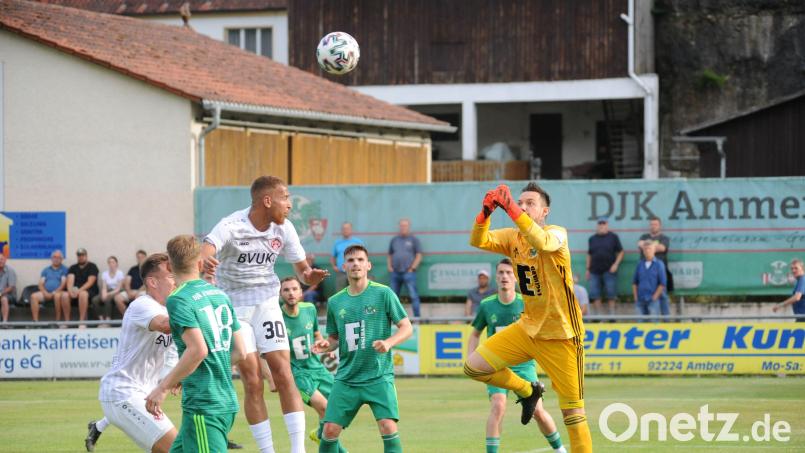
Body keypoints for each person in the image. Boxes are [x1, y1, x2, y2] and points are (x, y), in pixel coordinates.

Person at [202, 175, 328, 453]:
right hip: (234, 308)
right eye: (285, 198)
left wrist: (311, 277)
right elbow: (207, 247)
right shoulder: (232, 225)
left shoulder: (285, 229)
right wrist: (207, 259)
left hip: (267, 304)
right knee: (253, 379)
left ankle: (297, 450)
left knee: (284, 373)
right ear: (267, 200)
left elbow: (302, 273)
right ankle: (267, 450)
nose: (290, 205)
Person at [464, 183, 591, 453]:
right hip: (527, 329)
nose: (523, 206)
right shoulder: (513, 237)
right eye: (519, 202)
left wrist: (508, 207)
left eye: (530, 203)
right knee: (474, 367)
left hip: (562, 336)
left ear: (545, 211)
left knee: (573, 414)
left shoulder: (556, 233)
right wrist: (484, 214)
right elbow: (478, 240)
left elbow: (541, 242)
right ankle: (527, 389)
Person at [146, 235, 247, 453]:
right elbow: (240, 352)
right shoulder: (220, 295)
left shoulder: (178, 298)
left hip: (205, 404)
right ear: (200, 263)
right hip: (224, 399)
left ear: (170, 266)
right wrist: (187, 371)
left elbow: (198, 350)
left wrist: (162, 387)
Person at [313, 244, 412, 453]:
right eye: (350, 260)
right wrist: (326, 344)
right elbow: (335, 338)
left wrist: (388, 342)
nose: (355, 264)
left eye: (359, 260)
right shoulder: (335, 302)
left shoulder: (383, 293)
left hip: (378, 376)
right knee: (329, 430)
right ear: (343, 267)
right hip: (347, 378)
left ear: (368, 265)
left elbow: (406, 327)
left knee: (387, 426)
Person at [467, 258, 567, 453]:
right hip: (496, 366)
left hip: (524, 366)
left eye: (509, 273)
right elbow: (475, 334)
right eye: (501, 273)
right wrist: (471, 359)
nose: (505, 276)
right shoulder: (487, 305)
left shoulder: (527, 303)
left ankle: (560, 449)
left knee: (538, 411)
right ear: (496, 277)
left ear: (516, 278)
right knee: (498, 405)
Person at [87, 253, 178, 453]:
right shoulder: (143, 304)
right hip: (123, 393)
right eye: (171, 277)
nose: (176, 281)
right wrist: (198, 306)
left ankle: (98, 427)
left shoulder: (170, 309)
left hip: (144, 395)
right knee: (178, 448)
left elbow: (171, 354)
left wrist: (173, 379)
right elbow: (165, 326)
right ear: (152, 282)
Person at [280, 276, 347, 452]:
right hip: (297, 373)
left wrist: (324, 345)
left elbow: (317, 334)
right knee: (325, 408)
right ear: (280, 294)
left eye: (294, 289)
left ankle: (319, 433)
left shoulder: (309, 309)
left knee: (339, 409)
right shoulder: (277, 317)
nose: (291, 293)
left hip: (317, 367)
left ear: (301, 292)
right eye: (286, 290)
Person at [586, 217, 624, 317]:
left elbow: (621, 252)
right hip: (594, 271)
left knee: (611, 295)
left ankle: (612, 317)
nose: (602, 226)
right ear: (597, 225)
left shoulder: (613, 237)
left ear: (607, 225)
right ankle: (599, 317)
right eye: (600, 224)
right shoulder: (592, 239)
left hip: (609, 271)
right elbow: (589, 254)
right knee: (595, 294)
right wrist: (588, 269)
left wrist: (616, 264)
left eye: (604, 224)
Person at [387, 218, 423, 317]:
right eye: (401, 225)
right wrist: (389, 266)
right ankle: (393, 319)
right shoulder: (394, 240)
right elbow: (390, 254)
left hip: (409, 273)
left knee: (413, 296)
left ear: (409, 227)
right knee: (393, 297)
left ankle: (417, 318)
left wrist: (412, 268)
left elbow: (419, 255)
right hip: (395, 273)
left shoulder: (414, 240)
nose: (403, 227)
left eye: (405, 225)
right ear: (399, 227)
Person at [638, 217, 673, 315]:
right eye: (651, 224)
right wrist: (654, 246)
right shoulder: (644, 236)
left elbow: (662, 248)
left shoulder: (664, 238)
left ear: (660, 226)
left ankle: (667, 321)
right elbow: (640, 244)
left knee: (663, 296)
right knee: (647, 297)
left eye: (655, 224)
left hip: (660, 272)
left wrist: (648, 246)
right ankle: (648, 323)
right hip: (645, 273)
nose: (653, 226)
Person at [60, 248, 99, 326]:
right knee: (64, 295)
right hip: (75, 291)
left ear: (86, 256)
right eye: (79, 255)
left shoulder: (92, 266)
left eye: (82, 255)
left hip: (89, 291)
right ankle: (67, 321)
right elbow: (70, 280)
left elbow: (90, 282)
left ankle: (82, 321)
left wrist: (79, 291)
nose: (80, 257)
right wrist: (70, 291)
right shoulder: (73, 268)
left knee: (83, 294)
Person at [30, 250, 68, 323]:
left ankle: (57, 321)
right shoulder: (46, 270)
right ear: (51, 258)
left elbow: (63, 284)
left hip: (58, 292)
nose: (56, 259)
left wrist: (53, 293)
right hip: (46, 292)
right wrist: (45, 292)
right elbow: (40, 284)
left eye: (58, 257)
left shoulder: (64, 269)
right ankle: (35, 321)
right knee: (33, 296)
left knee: (57, 296)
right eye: (54, 257)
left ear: (62, 259)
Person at [632, 242, 667, 318]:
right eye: (645, 249)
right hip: (640, 300)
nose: (647, 251)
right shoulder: (639, 264)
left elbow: (663, 283)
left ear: (654, 250)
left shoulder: (659, 264)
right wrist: (635, 298)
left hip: (652, 301)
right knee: (640, 326)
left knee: (654, 325)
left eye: (649, 249)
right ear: (643, 251)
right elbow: (634, 282)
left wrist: (654, 297)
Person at [330, 222, 364, 291]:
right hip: (341, 273)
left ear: (351, 230)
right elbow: (333, 257)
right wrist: (334, 266)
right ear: (341, 230)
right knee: (340, 292)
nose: (345, 230)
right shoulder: (337, 243)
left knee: (356, 291)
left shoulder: (358, 242)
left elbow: (363, 256)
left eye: (347, 228)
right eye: (344, 229)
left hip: (355, 272)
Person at [91, 256, 125, 323]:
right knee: (95, 300)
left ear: (116, 264)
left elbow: (118, 288)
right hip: (107, 291)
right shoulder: (105, 274)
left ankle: (108, 320)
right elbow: (104, 287)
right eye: (109, 262)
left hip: (117, 292)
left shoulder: (120, 273)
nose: (111, 264)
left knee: (108, 299)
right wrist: (104, 294)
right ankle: (101, 320)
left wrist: (107, 295)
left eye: (113, 262)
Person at [114, 249, 148, 315]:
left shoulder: (149, 269)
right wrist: (129, 292)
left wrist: (138, 292)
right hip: (131, 291)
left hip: (143, 292)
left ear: (146, 257)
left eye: (142, 257)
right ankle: (127, 316)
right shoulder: (133, 269)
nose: (140, 259)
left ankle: (137, 319)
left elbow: (147, 283)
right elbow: (127, 281)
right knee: (117, 298)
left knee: (138, 298)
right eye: (138, 257)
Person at [0, 254, 17, 325]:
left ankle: (4, 322)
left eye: (1, 259)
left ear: (5, 260)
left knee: (3, 299)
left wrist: (0, 294)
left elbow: (11, 287)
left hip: (9, 295)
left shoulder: (10, 270)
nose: (0, 261)